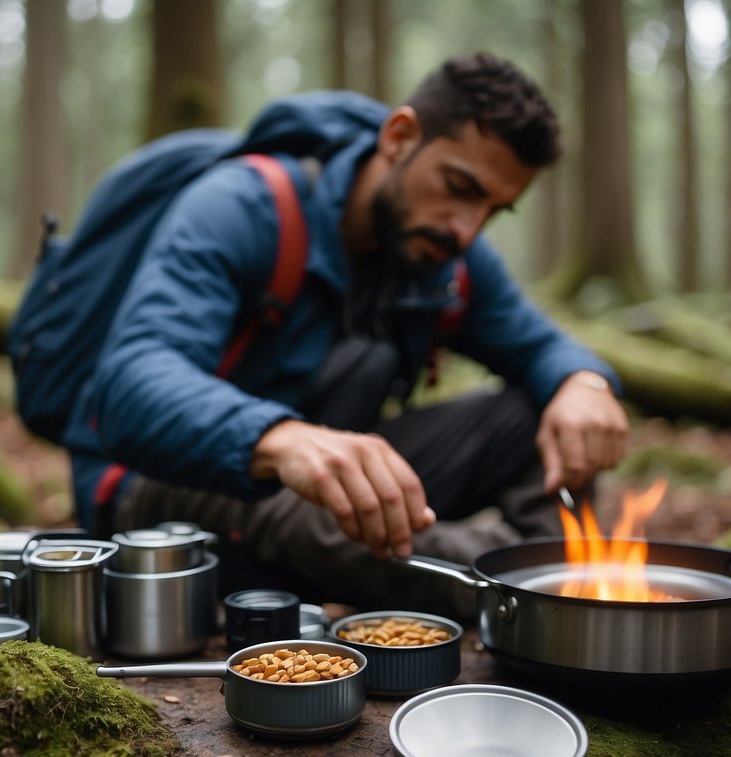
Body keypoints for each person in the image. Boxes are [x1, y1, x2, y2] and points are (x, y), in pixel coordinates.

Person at [68, 52, 629, 619]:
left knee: (537, 410)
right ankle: (548, 597)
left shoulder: (445, 256)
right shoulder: (243, 206)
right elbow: (128, 385)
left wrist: (584, 382)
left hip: (323, 466)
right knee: (310, 508)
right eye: (459, 187)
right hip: (166, 478)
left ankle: (564, 590)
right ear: (400, 136)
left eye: (494, 210)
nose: (468, 228)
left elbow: (539, 346)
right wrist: (281, 440)